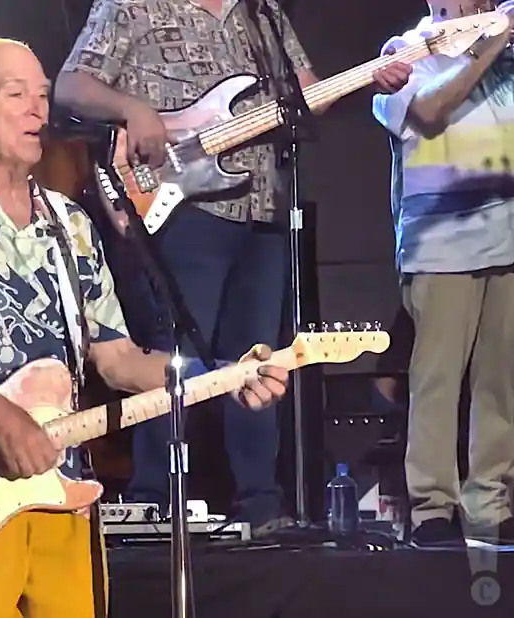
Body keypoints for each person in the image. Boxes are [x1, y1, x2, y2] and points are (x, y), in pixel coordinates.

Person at [0, 37, 290, 618]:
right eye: (17, 94)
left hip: (62, 497)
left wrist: (223, 376)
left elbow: (116, 359)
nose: (40, 109)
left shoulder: (70, 223)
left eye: (42, 95)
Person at [53, 0, 412, 535]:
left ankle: (259, 506)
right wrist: (133, 107)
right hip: (180, 205)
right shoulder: (132, 5)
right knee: (171, 355)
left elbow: (304, 94)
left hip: (264, 206)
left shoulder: (261, 12)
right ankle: (152, 502)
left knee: (259, 358)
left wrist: (369, 79)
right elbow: (70, 85)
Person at [372, 0, 514, 546]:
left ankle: (491, 504)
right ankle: (433, 505)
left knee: (499, 384)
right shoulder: (405, 53)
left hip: (507, 237)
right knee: (436, 381)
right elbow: (429, 113)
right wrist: (491, 43)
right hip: (440, 244)